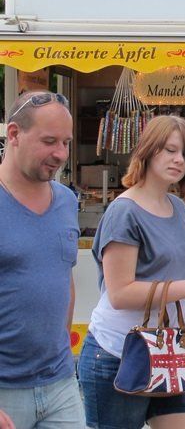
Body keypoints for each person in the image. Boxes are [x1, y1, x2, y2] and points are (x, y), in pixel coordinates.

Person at [78, 115, 185, 429]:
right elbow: (120, 293)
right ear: (148, 151)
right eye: (170, 150)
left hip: (170, 349)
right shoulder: (124, 211)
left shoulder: (177, 207)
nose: (179, 160)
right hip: (119, 353)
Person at [0, 91, 85, 429]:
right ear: (14, 134)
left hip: (60, 384)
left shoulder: (66, 201)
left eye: (66, 143)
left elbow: (64, 279)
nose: (60, 154)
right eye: (49, 141)